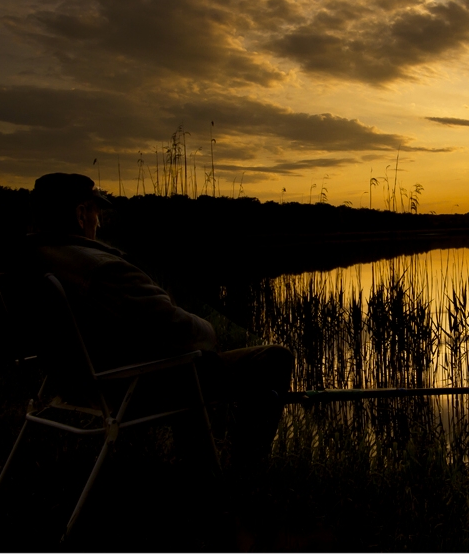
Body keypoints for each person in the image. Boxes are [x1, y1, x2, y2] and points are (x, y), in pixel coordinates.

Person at [24, 172, 293, 471]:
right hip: (129, 388)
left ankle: (200, 466)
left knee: (185, 360)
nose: (99, 222)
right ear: (80, 214)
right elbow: (180, 329)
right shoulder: (104, 269)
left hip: (72, 382)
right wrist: (209, 329)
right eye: (97, 212)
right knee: (274, 358)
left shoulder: (30, 262)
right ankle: (245, 471)